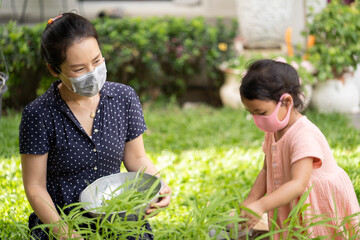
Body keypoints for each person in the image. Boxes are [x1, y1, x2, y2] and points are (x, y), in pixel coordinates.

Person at [19, 12, 171, 240]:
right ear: (54, 70)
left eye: (97, 60)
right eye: (79, 69)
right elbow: (35, 186)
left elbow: (137, 159)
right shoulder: (39, 114)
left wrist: (158, 187)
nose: (92, 73)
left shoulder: (124, 97)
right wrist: (65, 232)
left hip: (118, 215)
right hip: (63, 220)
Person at [238, 59, 359, 239]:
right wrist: (251, 201)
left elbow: (297, 184)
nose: (256, 118)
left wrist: (262, 205)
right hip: (294, 197)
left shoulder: (304, 135)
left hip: (318, 200)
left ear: (286, 101)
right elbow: (265, 170)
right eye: (251, 113)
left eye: (261, 112)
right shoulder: (273, 131)